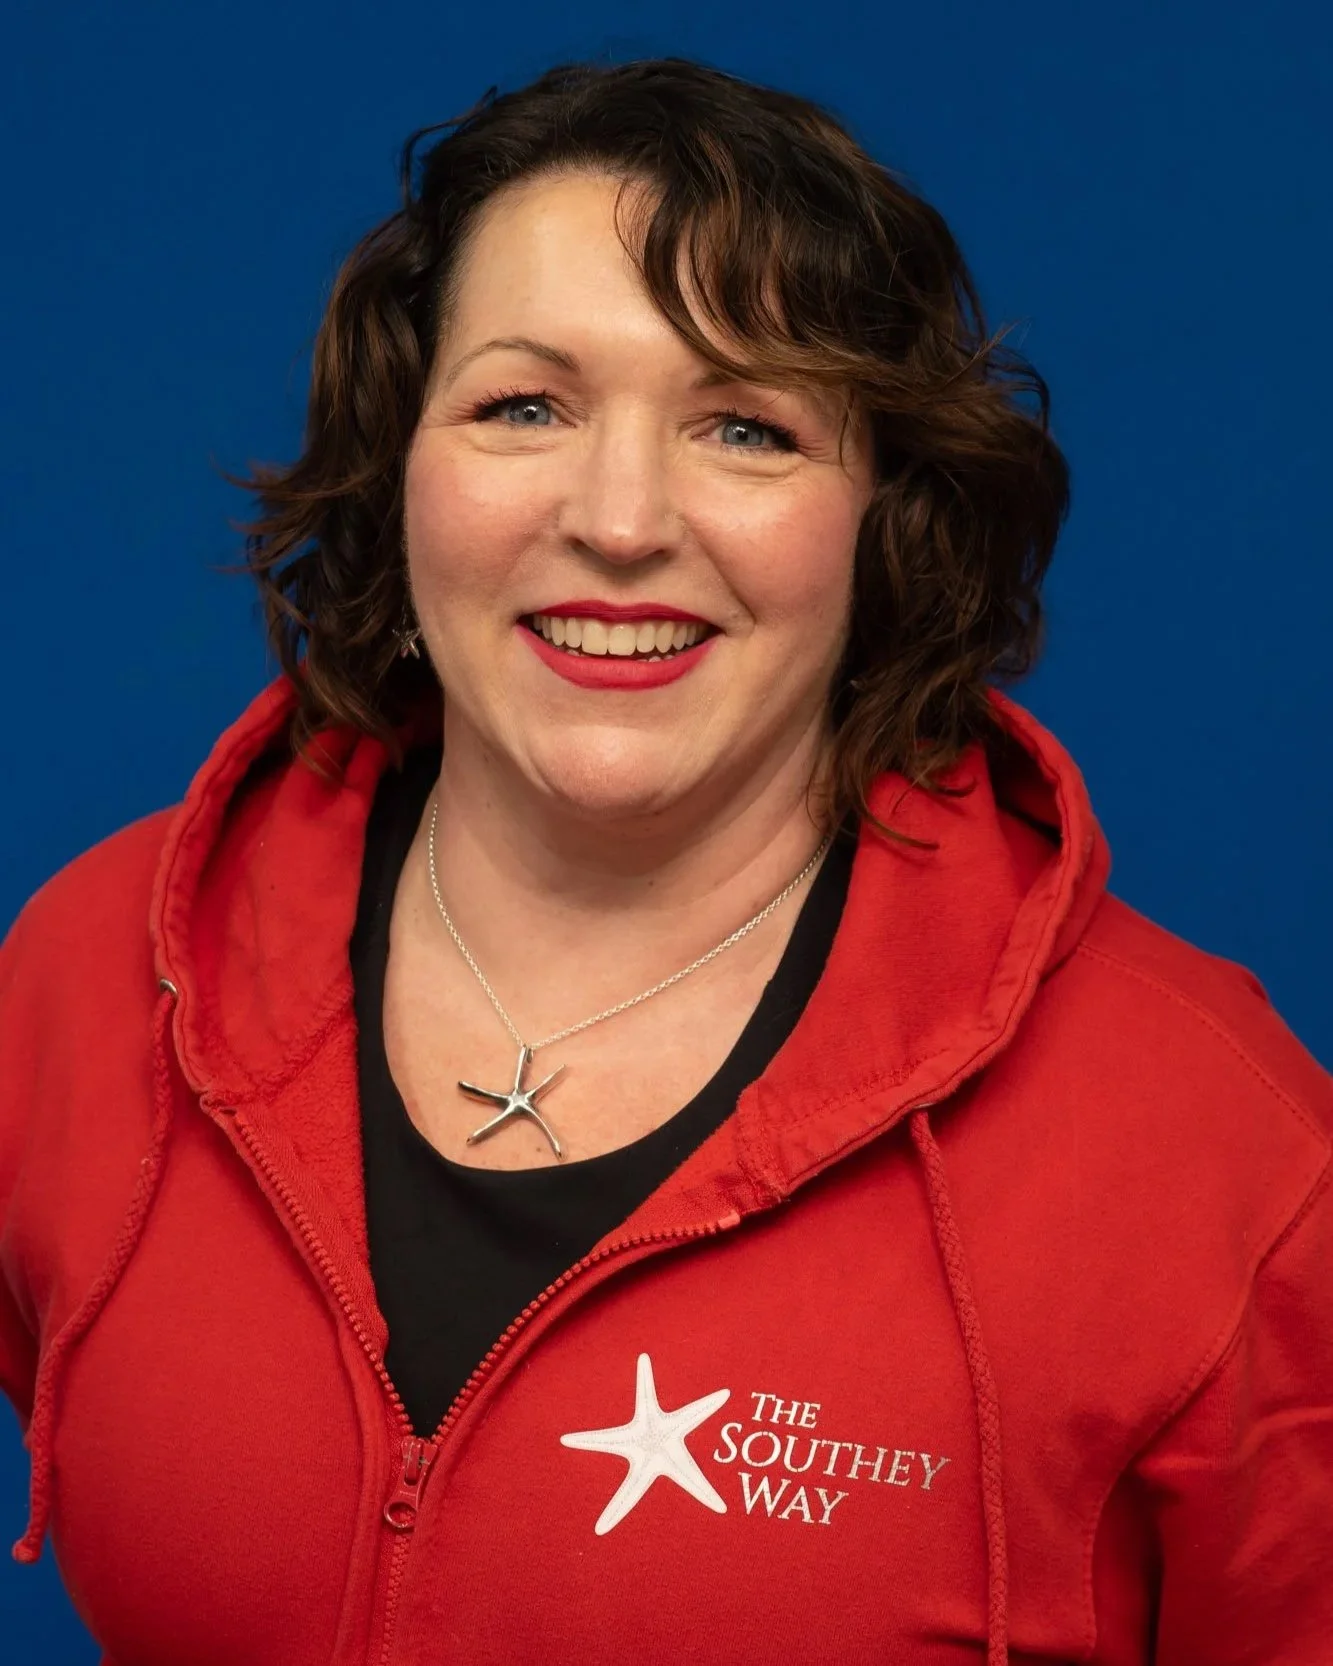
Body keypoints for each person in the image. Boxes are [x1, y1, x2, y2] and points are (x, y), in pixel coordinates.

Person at [1, 54, 1329, 1666]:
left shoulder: (1215, 1151)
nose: (621, 517)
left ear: (879, 517)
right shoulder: (90, 980)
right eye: (523, 405)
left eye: (745, 426)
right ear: (399, 465)